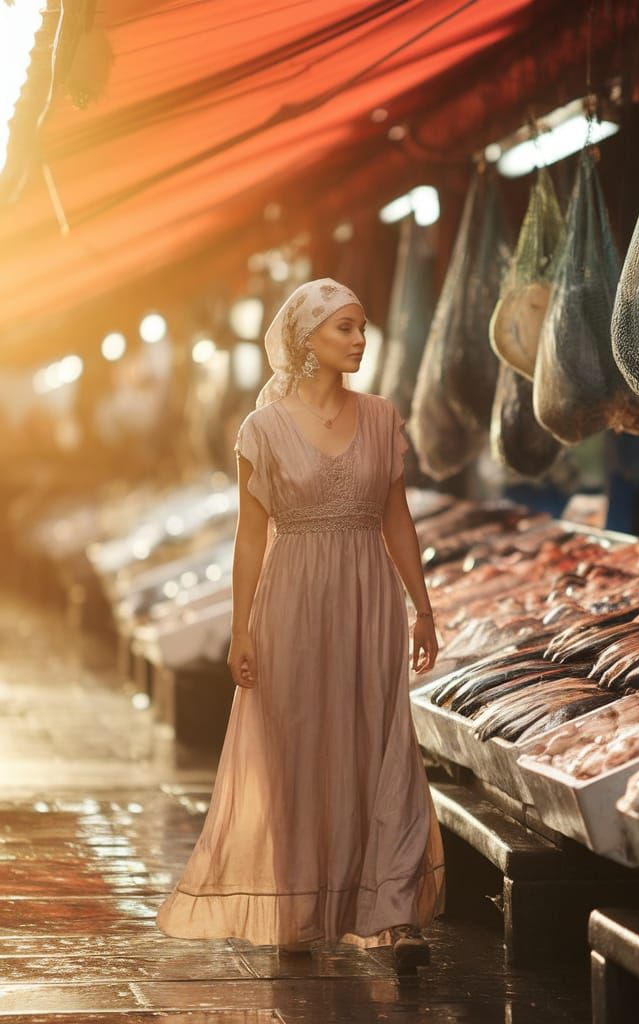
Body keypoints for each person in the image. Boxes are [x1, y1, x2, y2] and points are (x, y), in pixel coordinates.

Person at [156, 279, 445, 974]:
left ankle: (395, 912)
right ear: (307, 341)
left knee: (382, 739)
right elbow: (250, 538)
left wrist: (422, 606)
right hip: (290, 603)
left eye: (361, 326)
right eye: (344, 328)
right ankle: (297, 903)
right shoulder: (262, 428)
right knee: (296, 745)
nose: (359, 339)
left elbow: (396, 519)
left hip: (368, 597)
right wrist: (242, 626)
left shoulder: (381, 416)